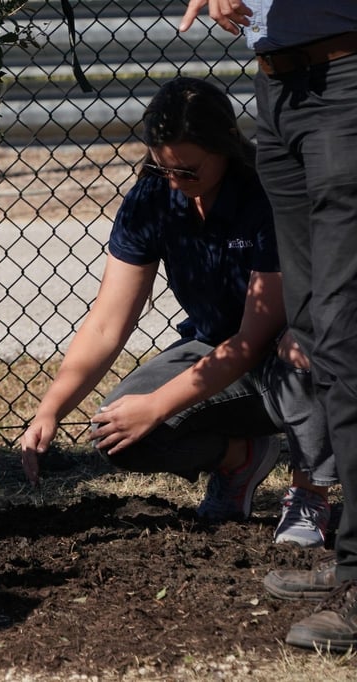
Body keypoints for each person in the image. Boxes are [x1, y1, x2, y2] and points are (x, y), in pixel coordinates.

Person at [19, 77, 335, 546]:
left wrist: (157, 406)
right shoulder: (152, 198)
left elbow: (252, 340)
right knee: (118, 430)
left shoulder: (265, 195)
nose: (174, 182)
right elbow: (108, 321)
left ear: (225, 148)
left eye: (188, 171)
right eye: (161, 167)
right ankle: (239, 459)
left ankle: (310, 492)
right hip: (212, 347)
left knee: (300, 355)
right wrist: (51, 408)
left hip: (282, 345)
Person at [179, 0, 357, 653]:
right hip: (279, 87)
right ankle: (350, 562)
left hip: (343, 78)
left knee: (344, 335)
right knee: (316, 333)